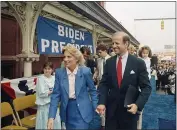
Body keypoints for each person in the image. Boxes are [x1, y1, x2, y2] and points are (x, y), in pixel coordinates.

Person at [96, 31, 152, 130]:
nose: (113, 46)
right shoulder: (109, 62)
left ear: (126, 44)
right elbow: (104, 84)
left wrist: (137, 105)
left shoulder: (138, 63)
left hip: (129, 112)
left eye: (117, 43)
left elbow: (146, 87)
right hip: (112, 112)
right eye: (112, 43)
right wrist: (101, 102)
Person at [47, 45, 98, 130]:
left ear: (77, 58)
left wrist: (95, 106)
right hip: (67, 111)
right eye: (64, 57)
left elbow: (93, 91)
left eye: (69, 56)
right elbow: (55, 96)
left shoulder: (85, 71)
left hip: (83, 111)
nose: (65, 59)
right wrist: (51, 117)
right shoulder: (59, 73)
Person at [35, 62, 61, 129]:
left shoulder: (54, 78)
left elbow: (58, 90)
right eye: (45, 68)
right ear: (43, 69)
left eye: (49, 69)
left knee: (55, 122)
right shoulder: (40, 78)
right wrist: (53, 91)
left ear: (52, 70)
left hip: (53, 104)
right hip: (44, 105)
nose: (47, 70)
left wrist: (52, 91)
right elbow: (42, 93)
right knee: (44, 124)